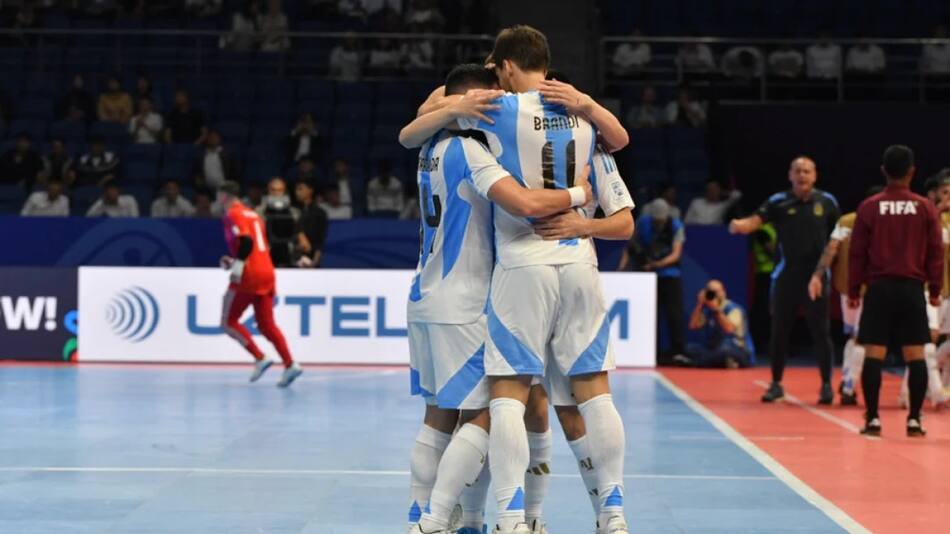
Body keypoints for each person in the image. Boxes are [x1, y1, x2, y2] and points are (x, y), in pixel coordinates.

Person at [398, 26, 634, 534]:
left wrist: (476, 89)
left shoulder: (490, 119)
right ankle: (608, 513)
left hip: (515, 270)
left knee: (502, 399)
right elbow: (621, 139)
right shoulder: (582, 120)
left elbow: (417, 124)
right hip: (576, 264)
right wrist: (587, 112)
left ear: (503, 70)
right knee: (588, 393)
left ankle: (499, 517)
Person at [849, 145, 943, 437]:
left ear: (883, 171)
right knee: (916, 355)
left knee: (873, 355)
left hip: (879, 289)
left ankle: (873, 419)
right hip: (912, 289)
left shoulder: (869, 206)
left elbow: (857, 253)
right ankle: (914, 420)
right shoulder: (925, 207)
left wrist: (854, 288)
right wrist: (936, 289)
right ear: (912, 172)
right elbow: (935, 253)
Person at [730, 156, 839, 404]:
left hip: (817, 279)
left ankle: (826, 386)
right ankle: (776, 384)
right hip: (786, 276)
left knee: (821, 333)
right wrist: (740, 225)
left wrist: (824, 273)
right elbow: (755, 221)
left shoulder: (827, 202)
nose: (802, 175)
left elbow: (837, 240)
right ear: (790, 175)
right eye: (798, 171)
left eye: (807, 171)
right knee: (779, 332)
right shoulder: (778, 202)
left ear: (815, 175)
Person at [217, 181, 303, 387]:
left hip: (250, 275)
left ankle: (259, 357)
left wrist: (237, 266)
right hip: (267, 271)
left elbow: (246, 242)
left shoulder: (233, 214)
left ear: (224, 196)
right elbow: (255, 246)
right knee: (266, 325)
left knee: (228, 322)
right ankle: (290, 364)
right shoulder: (254, 214)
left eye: (219, 196)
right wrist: (234, 260)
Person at [806, 186, 884, 405]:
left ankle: (846, 380)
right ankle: (849, 386)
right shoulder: (882, 223)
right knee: (862, 338)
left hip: (849, 288)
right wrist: (817, 276)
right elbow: (831, 249)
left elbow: (831, 249)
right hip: (870, 289)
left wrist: (817, 275)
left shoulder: (847, 220)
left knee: (855, 336)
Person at [622, 198, 687, 363]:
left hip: (669, 274)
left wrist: (656, 264)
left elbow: (676, 254)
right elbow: (630, 247)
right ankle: (653, 353)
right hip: (647, 278)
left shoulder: (676, 225)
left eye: (661, 220)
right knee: (650, 316)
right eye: (656, 220)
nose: (659, 223)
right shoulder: (643, 222)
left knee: (674, 315)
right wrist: (620, 269)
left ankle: (677, 352)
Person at [685, 280, 754, 368]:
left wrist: (716, 309)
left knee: (724, 349)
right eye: (710, 292)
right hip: (713, 348)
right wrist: (699, 305)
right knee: (690, 348)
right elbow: (692, 326)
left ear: (723, 292)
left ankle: (702, 361)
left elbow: (729, 329)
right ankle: (717, 361)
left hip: (737, 349)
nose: (715, 295)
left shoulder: (734, 309)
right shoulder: (707, 310)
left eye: (717, 292)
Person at [257, 177, 299, 267]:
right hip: (266, 251)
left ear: (284, 191)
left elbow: (297, 233)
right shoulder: (258, 212)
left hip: (288, 252)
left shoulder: (294, 213)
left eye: (280, 190)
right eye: (273, 190)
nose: (276, 193)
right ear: (268, 190)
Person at [294, 180, 328, 268]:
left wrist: (315, 261)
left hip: (311, 260)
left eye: (300, 189)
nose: (297, 192)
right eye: (296, 189)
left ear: (310, 190)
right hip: (293, 259)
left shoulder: (320, 213)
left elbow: (320, 240)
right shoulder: (293, 211)